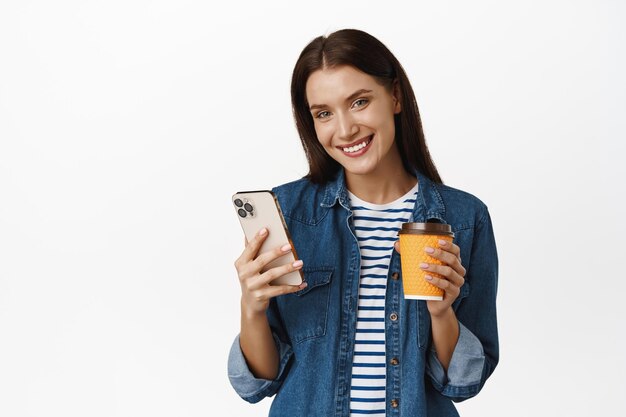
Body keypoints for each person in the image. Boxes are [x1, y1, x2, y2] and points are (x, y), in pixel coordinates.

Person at [227, 28, 499, 417]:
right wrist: (251, 308)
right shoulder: (289, 212)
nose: (344, 129)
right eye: (324, 113)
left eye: (358, 102)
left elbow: (462, 382)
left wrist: (442, 312)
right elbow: (260, 382)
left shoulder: (464, 218)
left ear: (395, 96)